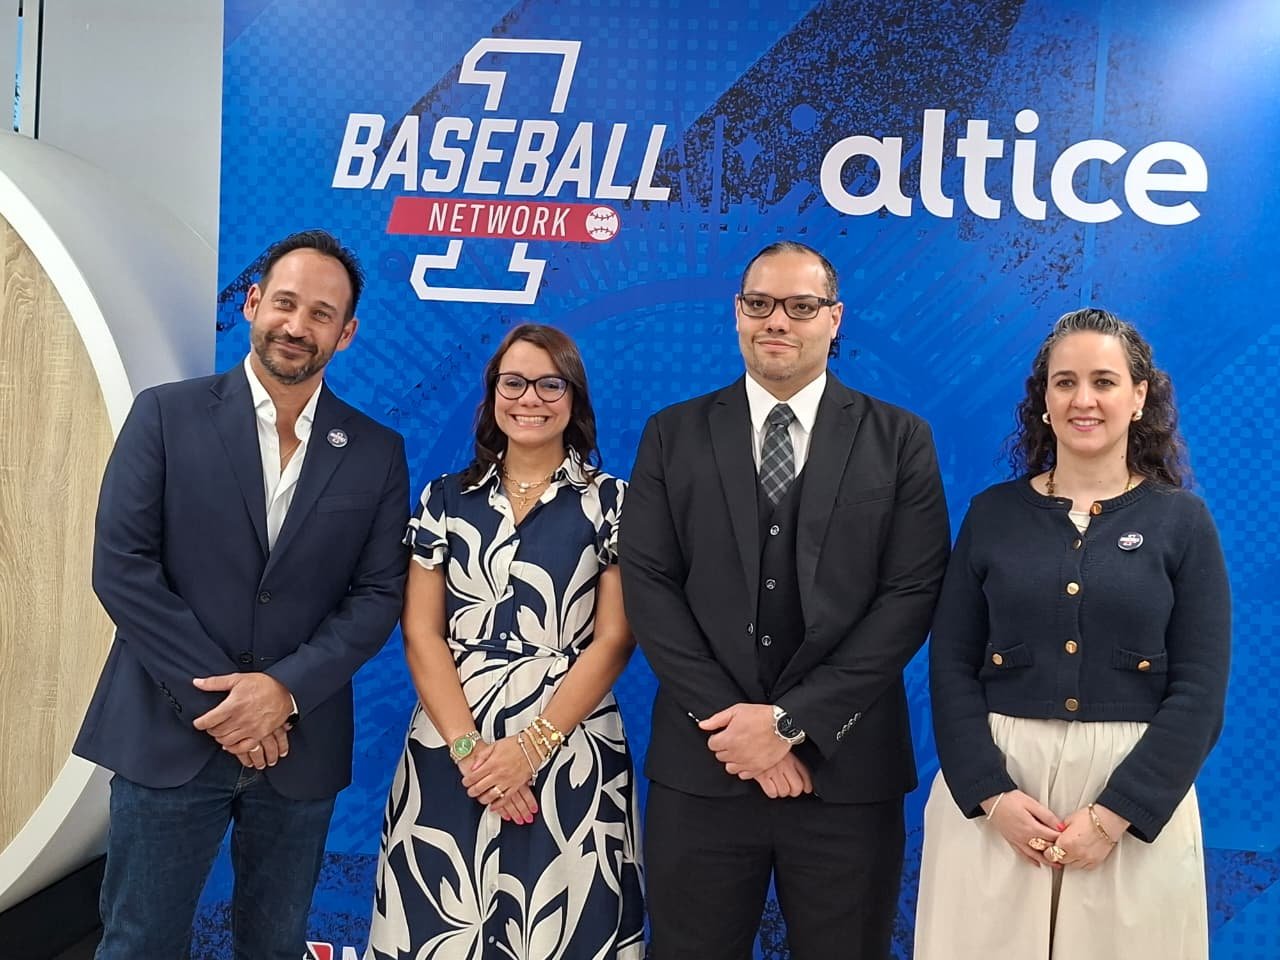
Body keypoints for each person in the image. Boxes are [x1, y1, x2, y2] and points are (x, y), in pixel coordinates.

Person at [74, 229, 410, 960]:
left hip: (300, 744)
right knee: (138, 944)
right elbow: (123, 567)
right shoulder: (165, 416)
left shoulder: (377, 451)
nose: (298, 325)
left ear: (347, 333)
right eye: (285, 303)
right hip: (169, 736)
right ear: (254, 303)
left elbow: (379, 593)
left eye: (321, 313)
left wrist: (282, 692)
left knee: (276, 945)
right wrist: (231, 708)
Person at [619, 241, 951, 959]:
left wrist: (792, 723)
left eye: (801, 306)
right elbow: (649, 585)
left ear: (834, 319)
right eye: (761, 303)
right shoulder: (672, 434)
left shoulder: (900, 440)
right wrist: (739, 731)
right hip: (704, 768)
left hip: (848, 775)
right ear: (737, 313)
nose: (778, 321)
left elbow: (911, 594)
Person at [916, 307, 1230, 959]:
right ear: (1044, 400)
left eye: (1104, 381)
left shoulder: (1183, 523)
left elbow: (1200, 691)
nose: (1083, 399)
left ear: (1139, 397)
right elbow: (950, 668)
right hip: (999, 798)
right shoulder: (991, 515)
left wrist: (1116, 815)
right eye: (1065, 382)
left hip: (1133, 804)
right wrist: (992, 796)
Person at [365, 323, 643, 960]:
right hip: (449, 744)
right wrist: (471, 753)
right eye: (513, 383)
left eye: (551, 384)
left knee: (565, 924)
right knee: (439, 923)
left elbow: (614, 639)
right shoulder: (444, 499)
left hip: (571, 747)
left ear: (574, 398)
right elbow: (422, 633)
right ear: (492, 394)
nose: (530, 399)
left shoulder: (613, 502)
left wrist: (533, 747)